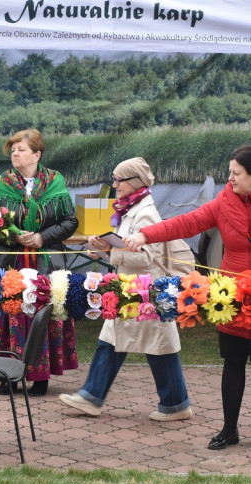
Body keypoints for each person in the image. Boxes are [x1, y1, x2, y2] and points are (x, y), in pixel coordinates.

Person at [124, 145, 251, 453]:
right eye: (229, 173)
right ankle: (229, 429)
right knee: (233, 363)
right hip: (229, 298)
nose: (230, 179)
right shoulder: (225, 200)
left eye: (236, 174)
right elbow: (187, 222)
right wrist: (146, 235)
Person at [58, 157, 193, 420]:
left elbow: (146, 258)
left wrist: (110, 251)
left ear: (134, 183)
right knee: (114, 340)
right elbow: (125, 250)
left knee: (158, 346)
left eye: (119, 180)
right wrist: (104, 251)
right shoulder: (131, 208)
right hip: (132, 290)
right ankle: (92, 396)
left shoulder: (146, 214)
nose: (115, 184)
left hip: (147, 293)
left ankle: (176, 404)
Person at [0, 129, 78, 396]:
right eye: (12, 149)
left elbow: (70, 222)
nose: (14, 153)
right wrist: (14, 237)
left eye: (21, 149)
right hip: (10, 260)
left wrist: (41, 236)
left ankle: (41, 376)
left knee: (41, 313)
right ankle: (7, 374)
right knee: (11, 313)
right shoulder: (1, 183)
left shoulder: (55, 182)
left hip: (44, 261)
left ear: (37, 154)